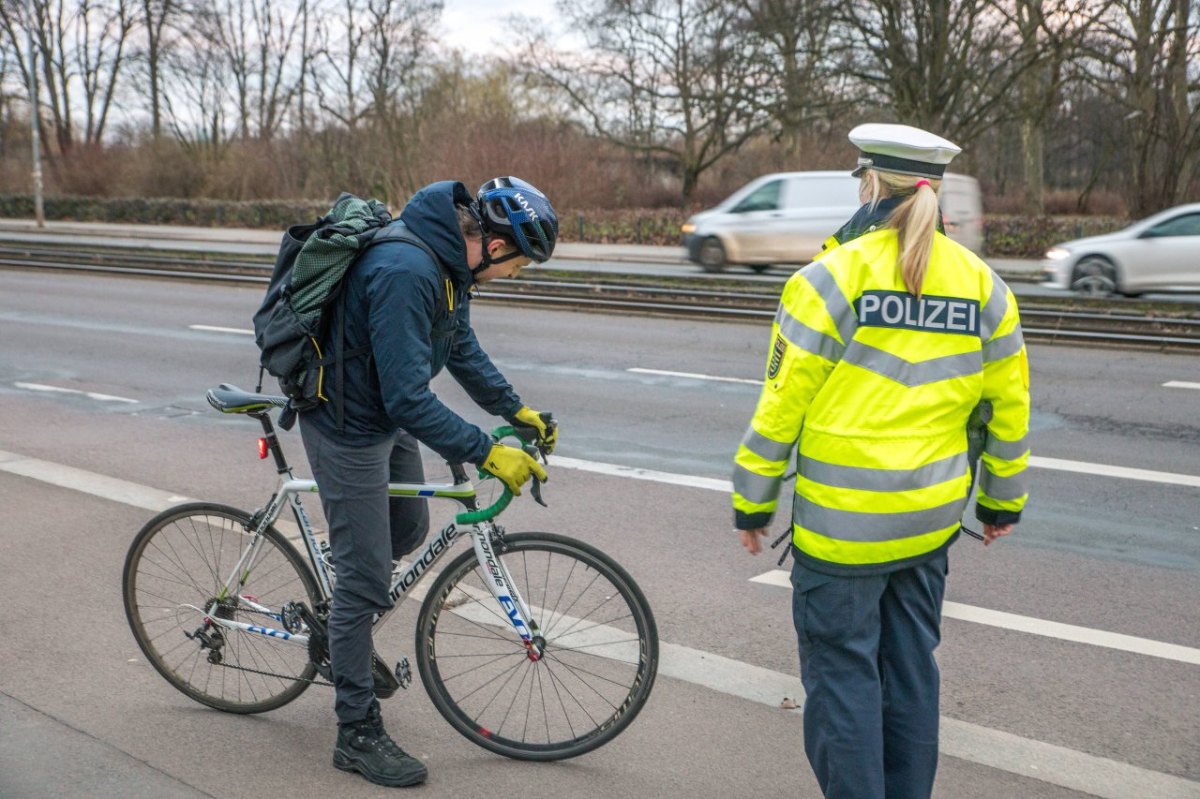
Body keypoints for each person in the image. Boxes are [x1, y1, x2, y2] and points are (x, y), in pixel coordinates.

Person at [732, 123, 1030, 799]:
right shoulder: (986, 288)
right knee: (910, 674)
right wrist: (1000, 502)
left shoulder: (827, 279)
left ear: (868, 183)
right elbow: (1007, 410)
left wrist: (752, 501)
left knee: (843, 679)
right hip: (927, 527)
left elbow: (779, 407)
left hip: (841, 534)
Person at [299, 176, 561, 788]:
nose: (514, 275)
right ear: (494, 247)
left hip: (383, 415)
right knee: (366, 580)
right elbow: (410, 397)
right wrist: (487, 453)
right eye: (519, 265)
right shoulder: (406, 270)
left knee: (410, 527)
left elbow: (459, 345)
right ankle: (356, 730)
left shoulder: (449, 267)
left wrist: (511, 410)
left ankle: (342, 633)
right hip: (345, 424)